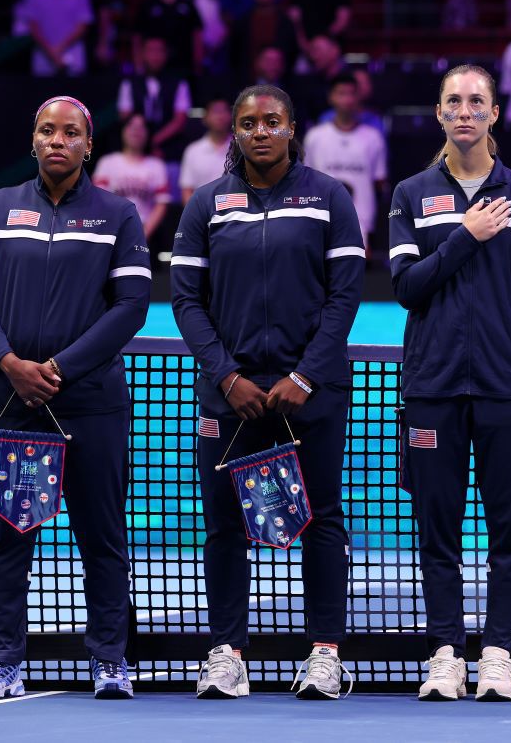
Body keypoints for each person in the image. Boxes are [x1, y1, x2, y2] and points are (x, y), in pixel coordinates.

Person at [170, 84, 365, 701]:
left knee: (322, 520)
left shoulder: (329, 197)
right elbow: (185, 300)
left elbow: (346, 295)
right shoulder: (206, 203)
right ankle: (227, 654)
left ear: (291, 128)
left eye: (272, 121)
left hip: (312, 393)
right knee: (224, 524)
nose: (260, 131)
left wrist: (305, 375)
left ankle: (325, 654)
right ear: (234, 131)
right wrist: (226, 376)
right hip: (229, 396)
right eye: (249, 122)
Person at [0, 96, 151, 700]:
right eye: (47, 130)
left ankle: (110, 661)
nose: (57, 141)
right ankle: (3, 664)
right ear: (34, 139)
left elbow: (131, 307)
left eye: (71, 133)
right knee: (8, 536)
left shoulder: (118, 214)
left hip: (90, 403)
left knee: (101, 535)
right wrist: (11, 365)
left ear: (88, 145)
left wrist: (60, 369)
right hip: (9, 403)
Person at [387, 64, 511, 702]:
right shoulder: (410, 194)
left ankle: (498, 653)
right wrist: (464, 236)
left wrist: (499, 327)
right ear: (439, 113)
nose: (465, 111)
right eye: (454, 102)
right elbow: (407, 287)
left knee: (509, 530)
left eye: (476, 101)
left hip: (506, 384)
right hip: (431, 386)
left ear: (494, 113)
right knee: (438, 531)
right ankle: (445, 653)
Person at [302, 74, 388, 250]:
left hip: (362, 223)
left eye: (351, 93)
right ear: (331, 97)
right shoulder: (315, 137)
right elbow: (306, 181)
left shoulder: (373, 138)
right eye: (341, 93)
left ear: (358, 97)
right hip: (321, 220)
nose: (347, 99)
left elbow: (379, 183)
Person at [92, 114, 172, 241]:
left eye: (141, 127)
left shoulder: (157, 165)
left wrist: (144, 233)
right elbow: (99, 199)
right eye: (131, 126)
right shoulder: (107, 162)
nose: (136, 131)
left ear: (148, 133)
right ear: (122, 130)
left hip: (145, 231)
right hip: (111, 229)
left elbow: (162, 203)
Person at [17, 0, 93, 77]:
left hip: (72, 55)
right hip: (43, 56)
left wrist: (60, 48)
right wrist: (50, 51)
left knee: (74, 89)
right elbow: (33, 27)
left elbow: (83, 26)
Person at [117, 36, 192, 160]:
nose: (155, 56)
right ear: (142, 54)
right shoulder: (129, 83)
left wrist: (153, 141)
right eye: (151, 51)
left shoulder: (179, 83)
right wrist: (143, 142)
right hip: (137, 148)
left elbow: (179, 121)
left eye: (159, 51)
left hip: (170, 148)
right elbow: (126, 118)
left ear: (166, 54)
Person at [134, 0, 203, 76]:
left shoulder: (187, 5)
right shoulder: (147, 6)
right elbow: (137, 36)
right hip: (154, 66)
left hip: (184, 65)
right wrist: (138, 63)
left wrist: (198, 61)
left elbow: (197, 34)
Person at [180, 97, 234, 203]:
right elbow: (187, 190)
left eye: (223, 111)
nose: (220, 116)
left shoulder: (241, 149)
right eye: (215, 111)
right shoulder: (193, 151)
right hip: (201, 211)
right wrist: (195, 212)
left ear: (231, 117)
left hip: (236, 210)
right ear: (205, 118)